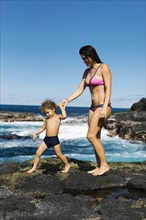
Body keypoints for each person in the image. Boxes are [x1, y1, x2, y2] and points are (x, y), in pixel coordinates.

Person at [61, 45, 112, 176]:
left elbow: (108, 89)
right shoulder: (86, 72)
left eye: (85, 58)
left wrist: (105, 107)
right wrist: (67, 99)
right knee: (96, 137)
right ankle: (99, 166)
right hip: (92, 108)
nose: (83, 61)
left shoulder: (104, 67)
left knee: (90, 136)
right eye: (82, 59)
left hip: (103, 106)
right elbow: (80, 89)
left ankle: (105, 165)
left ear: (91, 55)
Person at [27, 99, 70, 173]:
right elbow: (42, 128)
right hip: (46, 139)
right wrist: (35, 133)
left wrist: (61, 107)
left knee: (59, 154)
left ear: (53, 109)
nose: (47, 114)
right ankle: (34, 167)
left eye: (48, 112)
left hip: (54, 139)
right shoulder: (47, 120)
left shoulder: (58, 117)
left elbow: (64, 116)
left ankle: (67, 164)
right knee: (37, 153)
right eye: (45, 113)